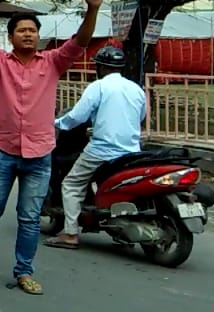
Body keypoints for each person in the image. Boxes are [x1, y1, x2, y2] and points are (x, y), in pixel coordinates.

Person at [0, 0, 102, 295]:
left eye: (33, 31)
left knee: (30, 218)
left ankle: (24, 271)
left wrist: (92, 9)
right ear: (11, 37)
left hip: (39, 154)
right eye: (22, 31)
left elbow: (81, 42)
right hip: (2, 152)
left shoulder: (53, 62)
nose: (28, 35)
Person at [46, 45, 147, 250]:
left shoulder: (98, 87)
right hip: (132, 151)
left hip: (102, 150)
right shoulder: (136, 89)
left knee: (72, 184)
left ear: (99, 67)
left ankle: (70, 233)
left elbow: (76, 117)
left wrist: (55, 123)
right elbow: (141, 116)